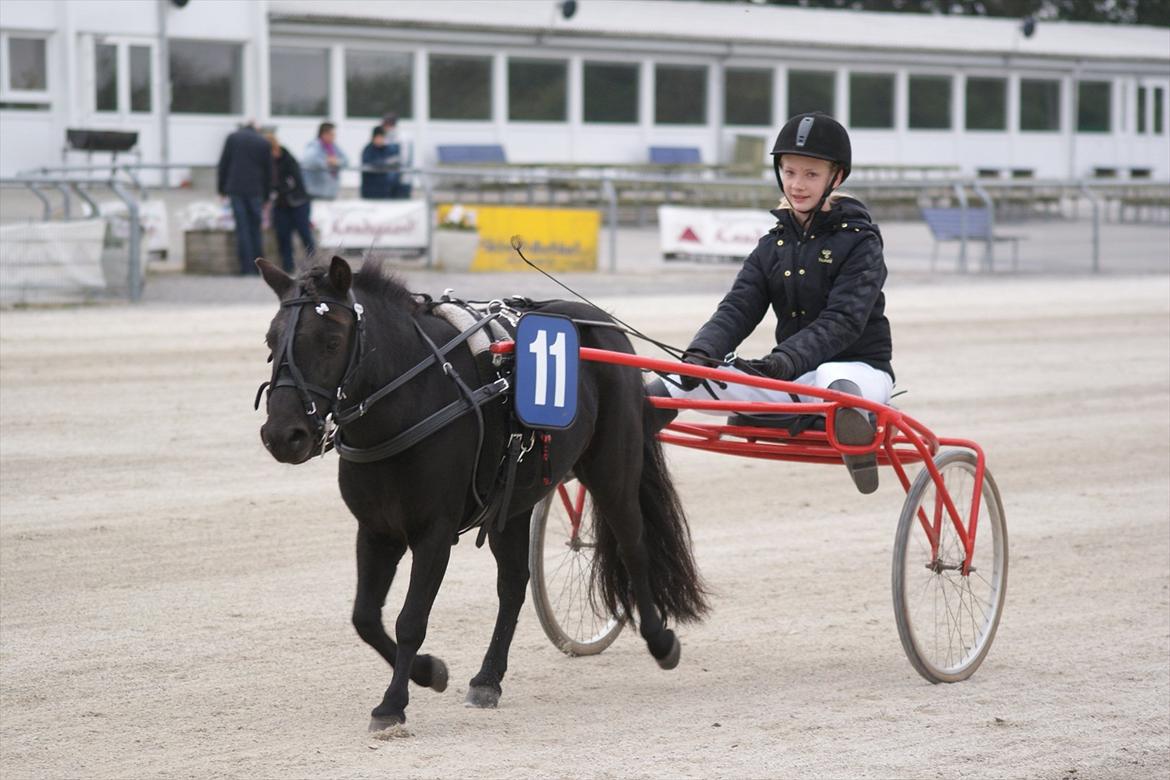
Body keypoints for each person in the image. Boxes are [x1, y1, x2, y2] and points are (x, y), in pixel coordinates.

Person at [651, 112, 893, 494]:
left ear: (837, 177)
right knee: (675, 381)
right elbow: (736, 308)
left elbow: (842, 321)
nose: (797, 185)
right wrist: (700, 355)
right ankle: (607, 445)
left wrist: (781, 362)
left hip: (859, 373)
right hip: (792, 379)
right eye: (790, 171)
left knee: (836, 382)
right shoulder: (772, 245)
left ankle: (852, 433)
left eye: (811, 175)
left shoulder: (862, 243)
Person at [216, 121, 273, 275]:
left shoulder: (232, 138)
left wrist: (221, 188)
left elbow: (223, 164)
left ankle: (246, 268)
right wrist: (267, 195)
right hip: (256, 190)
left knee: (242, 228)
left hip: (236, 189)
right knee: (256, 228)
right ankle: (260, 267)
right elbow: (268, 171)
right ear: (257, 129)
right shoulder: (263, 142)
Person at [264, 131, 315, 273]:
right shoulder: (267, 163)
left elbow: (295, 182)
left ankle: (314, 264)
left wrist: (277, 188)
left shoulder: (288, 159)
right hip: (280, 205)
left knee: (305, 234)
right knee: (283, 236)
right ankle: (288, 268)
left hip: (298, 203)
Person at [301, 121, 348, 201]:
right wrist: (327, 161)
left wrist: (337, 162)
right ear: (324, 134)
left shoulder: (334, 147)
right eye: (332, 134)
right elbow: (309, 160)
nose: (334, 137)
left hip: (330, 191)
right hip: (315, 191)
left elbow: (346, 160)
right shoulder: (314, 146)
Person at [360, 125, 399, 199]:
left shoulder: (386, 149)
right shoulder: (368, 150)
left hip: (384, 190)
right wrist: (385, 163)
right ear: (373, 137)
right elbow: (370, 163)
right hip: (370, 191)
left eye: (382, 137)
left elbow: (394, 162)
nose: (381, 140)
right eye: (379, 137)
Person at [380, 112, 412, 198]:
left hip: (403, 180)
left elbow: (405, 159)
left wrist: (386, 161)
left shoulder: (403, 137)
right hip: (389, 180)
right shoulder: (386, 137)